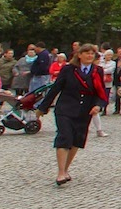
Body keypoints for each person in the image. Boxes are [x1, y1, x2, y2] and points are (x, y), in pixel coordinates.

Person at [38, 45, 107, 186]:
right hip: (65, 108)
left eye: (92, 54)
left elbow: (101, 91)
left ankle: (66, 169)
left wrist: (98, 105)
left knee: (77, 140)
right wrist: (42, 108)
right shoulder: (68, 69)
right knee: (65, 137)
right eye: (86, 53)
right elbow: (56, 88)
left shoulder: (97, 71)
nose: (89, 56)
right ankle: (60, 172)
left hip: (85, 110)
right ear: (79, 55)